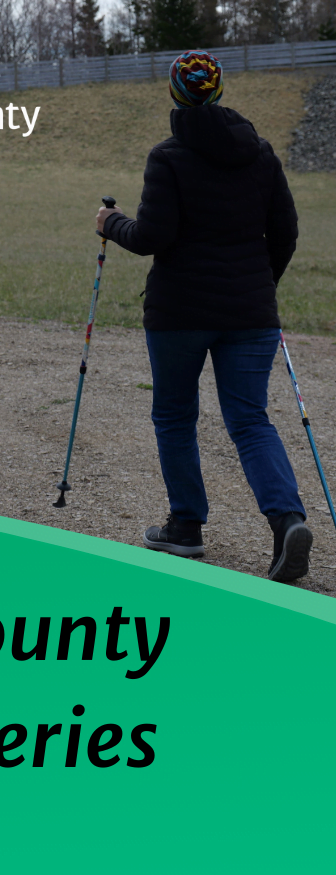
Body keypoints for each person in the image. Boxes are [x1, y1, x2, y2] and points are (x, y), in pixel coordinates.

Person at [96, 50, 312, 583]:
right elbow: (285, 234)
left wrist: (109, 222)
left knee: (174, 416)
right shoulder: (261, 154)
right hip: (251, 313)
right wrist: (259, 288)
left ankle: (186, 527)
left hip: (178, 314)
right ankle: (287, 522)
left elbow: (151, 238)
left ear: (175, 94)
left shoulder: (167, 156)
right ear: (218, 92)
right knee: (249, 419)